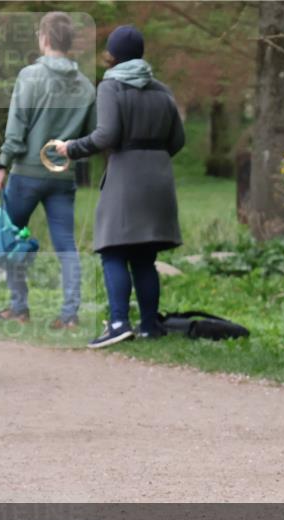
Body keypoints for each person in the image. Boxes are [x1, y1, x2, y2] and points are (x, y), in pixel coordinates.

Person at [54, 25, 185, 349]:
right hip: (158, 177)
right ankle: (150, 326)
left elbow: (106, 135)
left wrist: (71, 148)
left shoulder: (111, 87)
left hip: (125, 175)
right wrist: (152, 158)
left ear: (113, 55)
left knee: (112, 249)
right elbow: (178, 140)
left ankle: (118, 323)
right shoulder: (162, 91)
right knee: (144, 255)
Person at [0, 12, 96, 329]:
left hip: (27, 173)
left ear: (45, 39)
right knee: (66, 245)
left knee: (11, 238)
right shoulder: (87, 87)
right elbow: (92, 135)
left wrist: (1, 164)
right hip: (63, 176)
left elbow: (16, 126)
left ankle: (19, 307)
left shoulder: (30, 76)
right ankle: (70, 314)